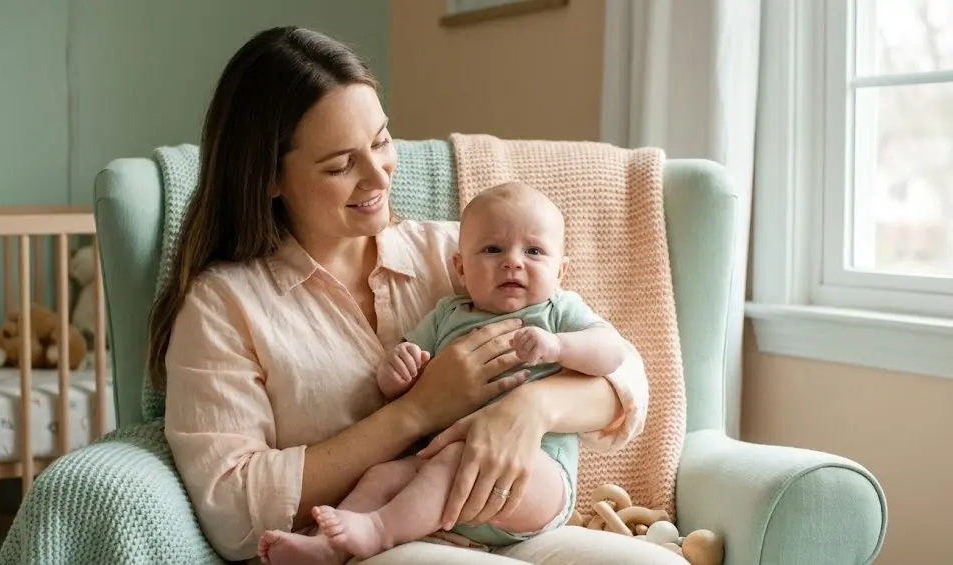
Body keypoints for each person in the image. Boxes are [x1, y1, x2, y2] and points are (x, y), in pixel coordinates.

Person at [151, 25, 685, 565]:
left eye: (381, 141)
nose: (377, 177)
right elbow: (232, 509)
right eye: (340, 165)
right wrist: (416, 412)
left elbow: (626, 375)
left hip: (513, 523)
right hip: (365, 542)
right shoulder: (224, 305)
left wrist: (532, 408)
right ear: (269, 178)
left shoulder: (461, 251)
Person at [255, 181, 630, 563]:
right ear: (461, 268)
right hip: (440, 481)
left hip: (536, 479)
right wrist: (397, 370)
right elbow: (398, 384)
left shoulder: (556, 311)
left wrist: (560, 346)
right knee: (382, 476)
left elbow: (612, 353)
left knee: (457, 459)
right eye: (492, 249)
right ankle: (327, 548)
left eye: (534, 251)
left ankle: (379, 531)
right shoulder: (447, 315)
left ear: (560, 270)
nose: (513, 261)